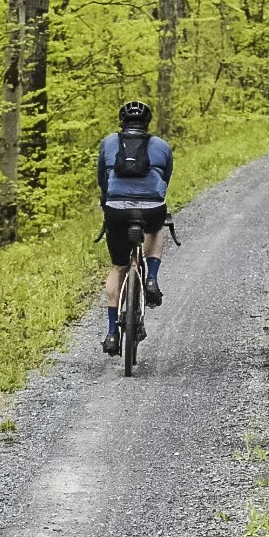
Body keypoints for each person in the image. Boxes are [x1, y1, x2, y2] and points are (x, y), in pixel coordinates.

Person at [97, 100, 173, 355]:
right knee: (156, 229)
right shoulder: (161, 145)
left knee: (118, 267)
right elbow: (165, 178)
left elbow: (102, 179)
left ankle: (110, 333)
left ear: (122, 123)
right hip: (151, 209)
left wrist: (108, 200)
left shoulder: (109, 143)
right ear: (147, 123)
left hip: (116, 210)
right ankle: (151, 278)